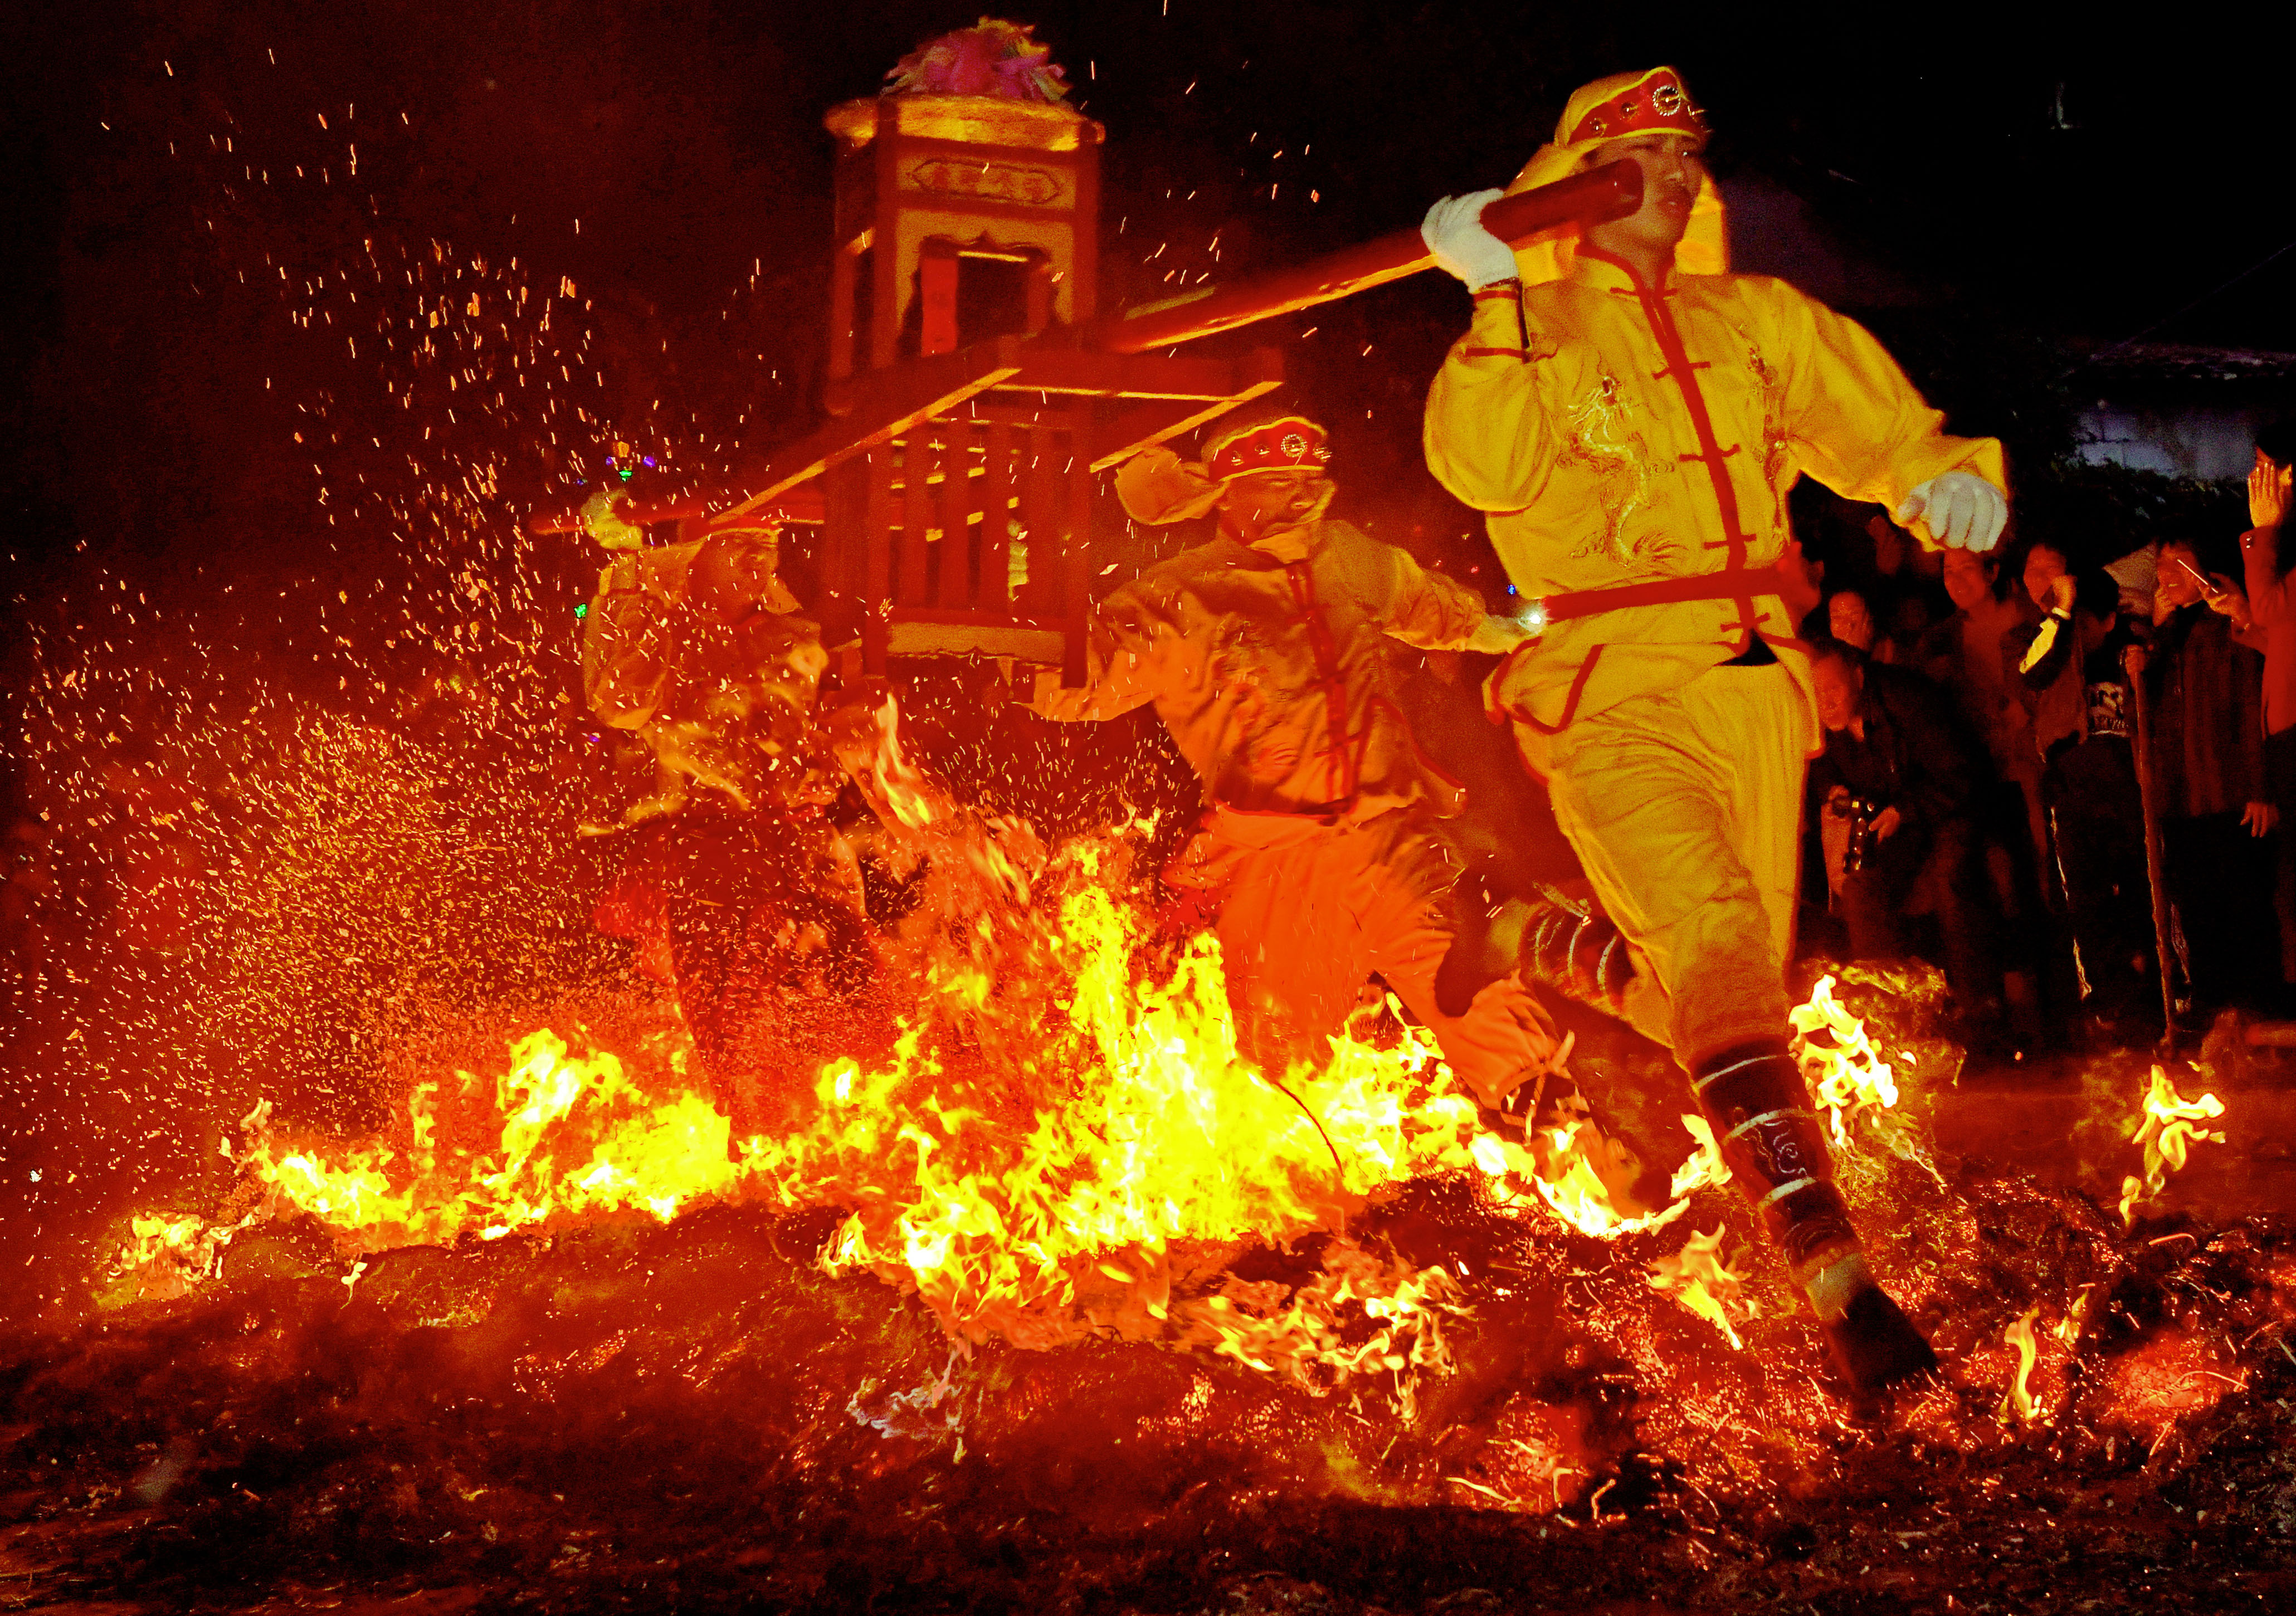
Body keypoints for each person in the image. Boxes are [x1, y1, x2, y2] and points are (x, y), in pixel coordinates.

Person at [1419, 65, 2009, 1399]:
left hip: (1750, 682)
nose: (1677, 174)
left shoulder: (1754, 320)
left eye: (1689, 153)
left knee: (1718, 986)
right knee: (1723, 953)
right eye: (1643, 153)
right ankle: (1837, 1282)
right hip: (1608, 681)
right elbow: (1486, 468)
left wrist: (1936, 480)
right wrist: (1490, 295)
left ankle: (1529, 936)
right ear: (1580, 176)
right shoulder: (1532, 327)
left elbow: (1871, 427)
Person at [1027, 411, 1652, 1204]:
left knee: (1477, 986)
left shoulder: (1347, 557)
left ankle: (1577, 1162)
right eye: (1279, 489)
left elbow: (1430, 606)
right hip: (1278, 861)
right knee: (1277, 1069)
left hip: (1392, 834)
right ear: (1231, 496)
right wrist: (1021, 638)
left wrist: (1512, 632)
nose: (1298, 503)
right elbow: (1081, 676)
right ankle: (1277, 1222)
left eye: (1305, 485)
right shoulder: (1184, 594)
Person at [1807, 640, 2007, 1040]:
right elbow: (1821, 766)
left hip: (1948, 804)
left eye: (1833, 689)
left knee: (1951, 877)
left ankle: (1981, 1012)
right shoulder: (1825, 725)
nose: (1824, 702)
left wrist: (1907, 810)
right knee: (1861, 886)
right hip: (1896, 819)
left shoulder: (1908, 700)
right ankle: (1890, 1016)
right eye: (1817, 692)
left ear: (1858, 678)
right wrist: (1832, 789)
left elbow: (1960, 775)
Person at [2004, 539, 2153, 1028]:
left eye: (2050, 569)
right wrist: (2061, 613)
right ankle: (2102, 1001)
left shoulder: (2131, 645)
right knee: (2083, 899)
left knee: (2144, 887)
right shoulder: (2039, 637)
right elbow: (2034, 673)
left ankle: (2161, 988)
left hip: (2128, 780)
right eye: (2030, 568)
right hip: (2070, 782)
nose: (2039, 578)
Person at [2142, 537, 2276, 1010]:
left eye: (2180, 562)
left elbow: (2250, 704)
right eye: (2160, 565)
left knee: (2245, 906)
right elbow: (2141, 702)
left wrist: (2260, 789)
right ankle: (2216, 1016)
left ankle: (2261, 1014)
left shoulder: (2228, 624)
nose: (2168, 573)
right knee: (2198, 911)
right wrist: (2156, 634)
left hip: (2229, 790)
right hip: (2180, 799)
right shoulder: (2159, 634)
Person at [2238, 425, 2296, 997]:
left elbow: (2277, 611)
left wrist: (2262, 532)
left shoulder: (2278, 539)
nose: (2255, 483)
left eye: (2263, 468)